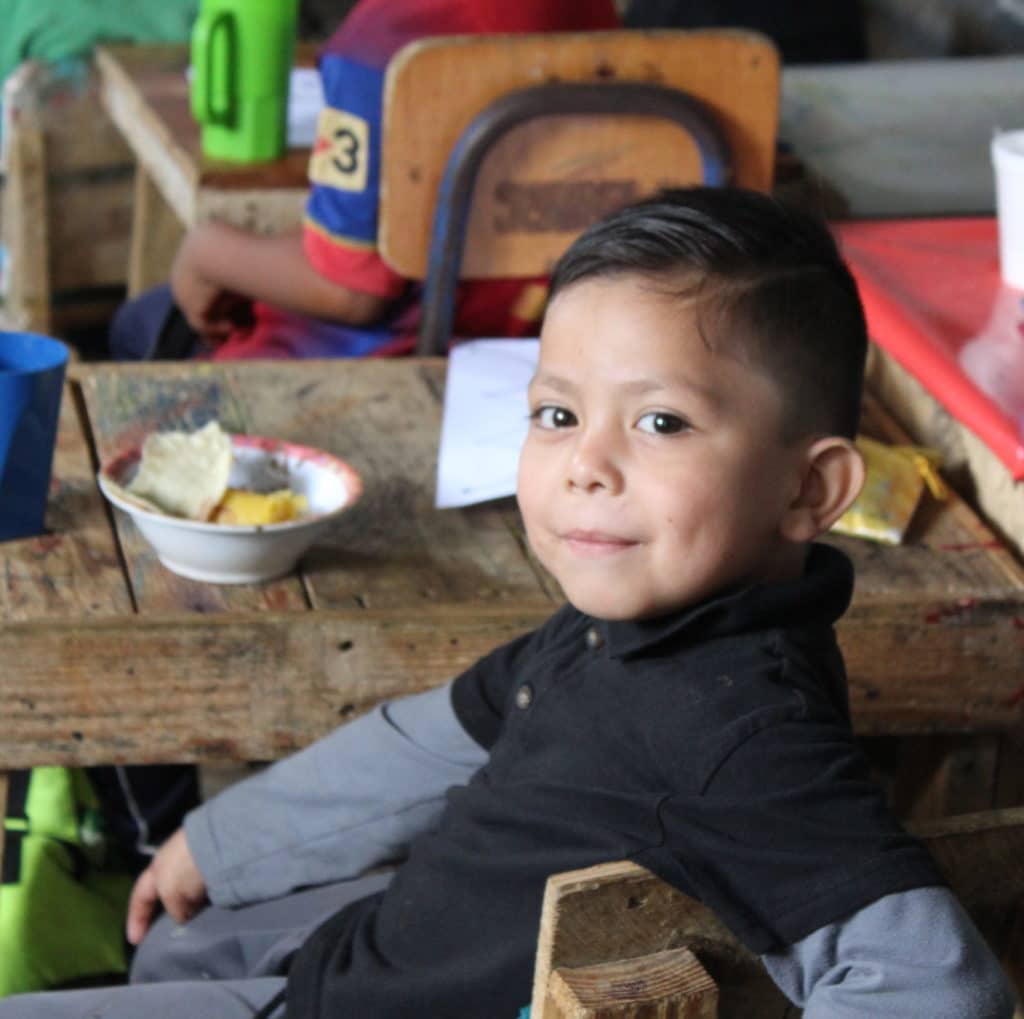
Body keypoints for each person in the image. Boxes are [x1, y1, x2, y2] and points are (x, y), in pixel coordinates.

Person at [13, 187, 1016, 1018]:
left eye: (660, 420)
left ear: (811, 489)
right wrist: (217, 842)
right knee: (173, 940)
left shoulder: (742, 735)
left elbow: (935, 981)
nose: (586, 463)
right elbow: (434, 738)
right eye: (557, 413)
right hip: (380, 944)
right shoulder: (647, 621)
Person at [108, 0, 621, 361]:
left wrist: (205, 252)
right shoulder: (585, 8)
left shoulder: (382, 44)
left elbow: (352, 295)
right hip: (553, 319)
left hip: (419, 342)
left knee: (139, 324)